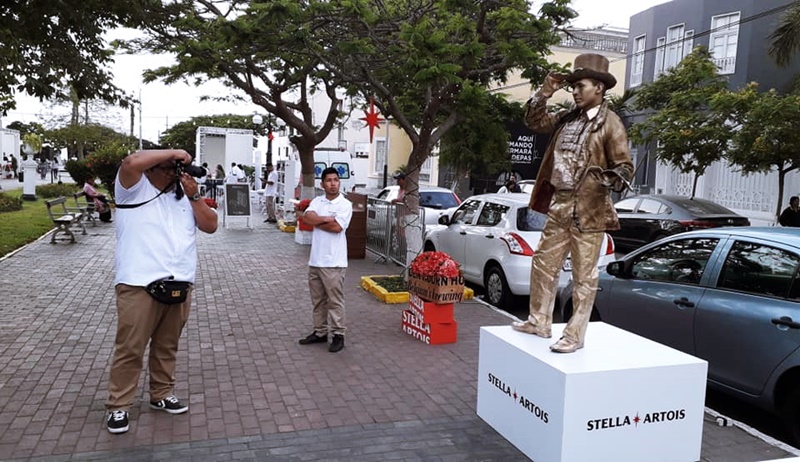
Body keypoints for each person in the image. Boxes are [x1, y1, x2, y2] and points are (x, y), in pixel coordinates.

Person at [511, 53, 633, 354]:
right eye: (574, 86)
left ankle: (574, 334)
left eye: (581, 86)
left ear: (599, 89)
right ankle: (539, 320)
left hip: (589, 208)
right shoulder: (568, 118)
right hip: (560, 202)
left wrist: (612, 177)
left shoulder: (610, 123)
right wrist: (545, 91)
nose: (576, 91)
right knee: (543, 262)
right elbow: (534, 121)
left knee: (584, 274)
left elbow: (624, 165)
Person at [105, 149, 218, 434]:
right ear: (152, 168)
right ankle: (119, 405)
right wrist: (175, 152)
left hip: (179, 283)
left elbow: (211, 225)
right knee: (130, 348)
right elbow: (130, 162)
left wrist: (194, 197)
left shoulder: (183, 198)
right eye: (166, 168)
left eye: (176, 170)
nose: (172, 174)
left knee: (167, 346)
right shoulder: (132, 189)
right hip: (138, 284)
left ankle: (161, 394)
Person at [297, 167, 353, 353]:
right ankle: (320, 332)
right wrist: (327, 219)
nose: (333, 183)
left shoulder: (344, 204)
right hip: (316, 260)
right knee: (318, 300)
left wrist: (318, 220)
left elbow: (338, 228)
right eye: (329, 180)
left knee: (335, 300)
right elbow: (307, 218)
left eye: (336, 180)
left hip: (334, 262)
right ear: (322, 184)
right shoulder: (317, 201)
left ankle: (338, 335)